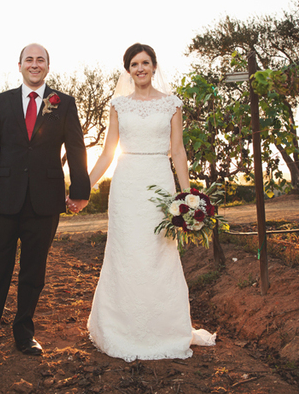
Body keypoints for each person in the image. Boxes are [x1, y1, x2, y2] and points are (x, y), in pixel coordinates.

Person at [73, 43, 216, 361]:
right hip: (126, 186)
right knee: (126, 252)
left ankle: (164, 327)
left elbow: (178, 152)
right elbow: (109, 153)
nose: (140, 68)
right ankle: (120, 327)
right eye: (134, 64)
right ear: (128, 70)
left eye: (145, 62)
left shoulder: (172, 104)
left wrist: (188, 196)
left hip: (159, 183)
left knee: (157, 252)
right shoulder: (118, 105)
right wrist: (84, 189)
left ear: (154, 66)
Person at [0, 43, 91, 363]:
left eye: (40, 59)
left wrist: (80, 190)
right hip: (3, 201)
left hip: (45, 201)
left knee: (34, 271)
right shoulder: (0, 103)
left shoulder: (64, 103)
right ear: (19, 66)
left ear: (47, 66)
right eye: (28, 59)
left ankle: (24, 333)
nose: (34, 64)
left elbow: (76, 147)